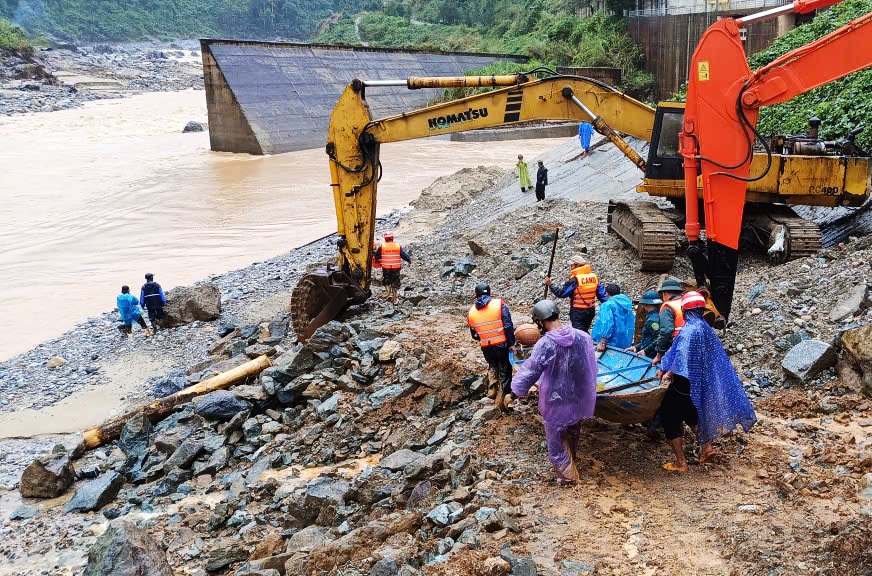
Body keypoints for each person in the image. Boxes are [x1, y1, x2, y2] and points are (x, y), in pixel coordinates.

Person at [657, 291, 757, 472]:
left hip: (683, 382)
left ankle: (681, 463)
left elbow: (680, 356)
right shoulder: (706, 329)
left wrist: (667, 371)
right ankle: (707, 448)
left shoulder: (688, 331)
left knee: (671, 418)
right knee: (692, 413)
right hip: (701, 381)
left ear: (685, 309)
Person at [511, 300, 598, 484]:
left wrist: (516, 391)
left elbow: (530, 371)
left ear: (540, 322)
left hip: (554, 401)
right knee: (573, 432)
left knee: (557, 441)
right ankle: (572, 461)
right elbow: (591, 368)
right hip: (578, 397)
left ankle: (569, 478)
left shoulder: (545, 344)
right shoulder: (583, 337)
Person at [467, 283, 516, 410]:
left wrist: (485, 337)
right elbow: (508, 325)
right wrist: (511, 343)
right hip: (502, 345)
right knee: (505, 372)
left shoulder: (471, 311)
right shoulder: (499, 305)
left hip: (487, 347)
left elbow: (474, 334)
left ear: (476, 294)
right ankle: (501, 403)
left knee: (493, 366)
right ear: (489, 292)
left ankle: (492, 390)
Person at [546, 254, 607, 333]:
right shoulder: (594, 278)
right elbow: (602, 296)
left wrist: (551, 284)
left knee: (579, 334)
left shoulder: (575, 280)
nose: (570, 267)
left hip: (578, 312)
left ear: (577, 265)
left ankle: (583, 344)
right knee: (585, 330)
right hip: (591, 311)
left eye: (572, 265)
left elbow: (561, 293)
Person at [590, 284, 635, 352]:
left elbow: (607, 323)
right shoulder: (627, 305)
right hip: (625, 342)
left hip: (610, 343)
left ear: (607, 294)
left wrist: (602, 343)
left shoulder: (607, 305)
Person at [651, 278, 684, 365]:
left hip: (676, 345)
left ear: (664, 293)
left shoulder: (668, 308)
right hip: (691, 342)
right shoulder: (685, 302)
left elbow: (666, 332)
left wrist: (659, 354)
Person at [375, 231, 411, 305]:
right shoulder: (397, 246)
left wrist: (380, 260)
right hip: (396, 267)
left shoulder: (382, 246)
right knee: (395, 282)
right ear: (392, 238)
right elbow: (404, 255)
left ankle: (388, 293)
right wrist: (409, 260)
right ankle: (395, 299)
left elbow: (377, 256)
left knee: (386, 281)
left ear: (385, 239)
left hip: (386, 267)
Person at [626, 290, 662, 358]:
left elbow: (659, 339)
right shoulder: (656, 316)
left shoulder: (652, 320)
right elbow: (648, 339)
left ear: (645, 305)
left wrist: (645, 351)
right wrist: (636, 347)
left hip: (650, 356)